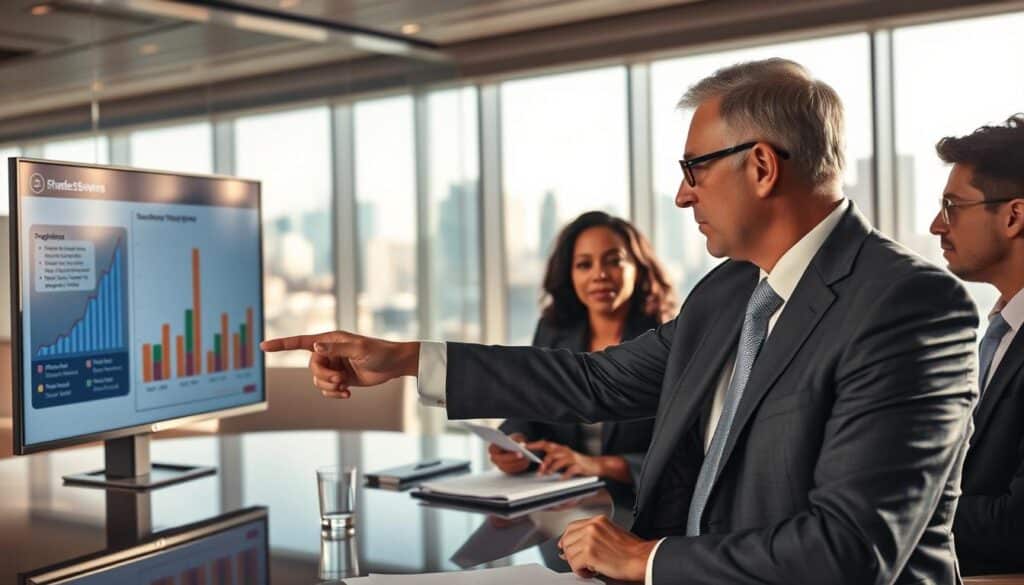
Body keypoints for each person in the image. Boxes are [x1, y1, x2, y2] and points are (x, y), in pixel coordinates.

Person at [262, 58, 978, 584]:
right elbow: (595, 381)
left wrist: (647, 558)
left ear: (761, 166)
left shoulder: (908, 306)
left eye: (695, 168)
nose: (680, 194)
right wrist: (407, 358)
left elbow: (849, 548)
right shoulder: (729, 291)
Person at [491, 211, 675, 486]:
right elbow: (528, 407)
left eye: (614, 261)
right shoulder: (553, 332)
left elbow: (685, 451)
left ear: (639, 268)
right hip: (558, 493)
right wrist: (515, 442)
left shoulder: (666, 341)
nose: (599, 275)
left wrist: (600, 466)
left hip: (637, 502)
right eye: (584, 265)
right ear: (569, 274)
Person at [928, 114, 1024, 576]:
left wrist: (895, 509)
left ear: (1013, 216)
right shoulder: (999, 332)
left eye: (952, 206)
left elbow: (1017, 525)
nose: (935, 226)